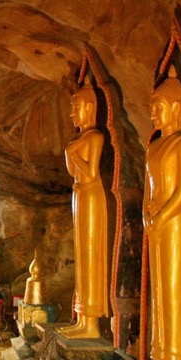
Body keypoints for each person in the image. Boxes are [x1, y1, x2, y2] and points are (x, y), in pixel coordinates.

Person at [126, 68, 181, 360]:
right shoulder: (154, 147)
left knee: (174, 294)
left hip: (175, 224)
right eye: (152, 106)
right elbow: (148, 191)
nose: (153, 113)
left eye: (159, 106)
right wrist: (146, 217)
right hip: (156, 224)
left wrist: (161, 217)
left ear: (177, 109)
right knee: (157, 295)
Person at [59, 82, 109, 339]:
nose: (71, 113)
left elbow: (90, 172)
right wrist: (72, 151)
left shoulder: (95, 137)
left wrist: (73, 151)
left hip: (91, 195)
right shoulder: (81, 139)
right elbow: (72, 171)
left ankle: (91, 322)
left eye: (75, 107)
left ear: (90, 108)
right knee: (82, 254)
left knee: (91, 254)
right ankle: (82, 318)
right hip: (79, 194)